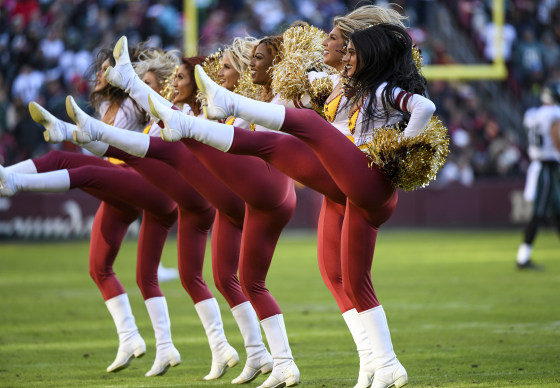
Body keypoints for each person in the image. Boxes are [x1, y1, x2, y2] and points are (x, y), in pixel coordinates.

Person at [150, 22, 444, 388]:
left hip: (369, 180)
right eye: (346, 50)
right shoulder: (349, 88)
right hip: (349, 187)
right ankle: (380, 363)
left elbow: (424, 106)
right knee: (348, 279)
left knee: (299, 129)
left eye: (352, 52)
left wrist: (401, 148)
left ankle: (199, 121)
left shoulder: (382, 89)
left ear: (371, 57)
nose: (346, 56)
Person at [71, 34, 306, 388]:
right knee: (233, 280)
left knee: (175, 143)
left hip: (258, 190)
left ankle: (103, 123)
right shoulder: (232, 104)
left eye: (226, 66)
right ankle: (262, 355)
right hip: (236, 199)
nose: (218, 72)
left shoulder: (248, 103)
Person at [27, 47, 270, 383]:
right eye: (171, 78)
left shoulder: (193, 113)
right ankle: (229, 349)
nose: (173, 83)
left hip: (195, 194)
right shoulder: (176, 111)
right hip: (186, 200)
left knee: (121, 160)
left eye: (180, 78)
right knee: (194, 278)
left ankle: (68, 139)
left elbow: (155, 138)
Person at [0, 47, 182, 376]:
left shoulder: (140, 102)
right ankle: (132, 338)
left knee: (72, 166)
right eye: (100, 71)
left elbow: (153, 108)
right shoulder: (107, 105)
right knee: (99, 268)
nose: (100, 75)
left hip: (136, 181)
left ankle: (11, 178)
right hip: (119, 186)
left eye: (106, 71)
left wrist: (139, 78)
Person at [516, 82, 560, 269]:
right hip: (547, 167)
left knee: (557, 211)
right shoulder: (553, 113)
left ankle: (523, 256)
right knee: (539, 212)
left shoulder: (532, 114)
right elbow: (556, 136)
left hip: (538, 165)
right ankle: (523, 258)